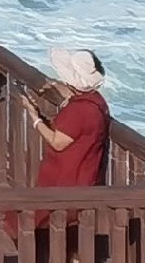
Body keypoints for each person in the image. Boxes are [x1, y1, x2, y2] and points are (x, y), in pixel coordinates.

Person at [30, 48, 109, 186]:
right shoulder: (97, 101)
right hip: (84, 175)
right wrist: (56, 85)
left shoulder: (78, 110)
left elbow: (57, 142)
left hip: (66, 179)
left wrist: (35, 118)